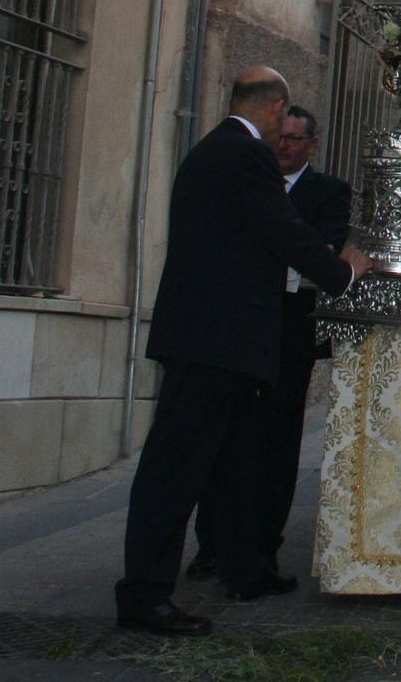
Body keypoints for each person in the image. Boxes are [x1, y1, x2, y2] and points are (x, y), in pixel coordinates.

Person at [114, 68, 372, 637]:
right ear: (276, 108)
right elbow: (282, 230)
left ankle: (240, 569)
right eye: (284, 118)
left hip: (208, 339)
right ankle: (144, 594)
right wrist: (342, 272)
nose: (284, 131)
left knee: (226, 462)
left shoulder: (212, 150)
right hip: (215, 341)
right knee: (176, 470)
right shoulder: (244, 156)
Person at [187, 106, 352, 585]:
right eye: (282, 137)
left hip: (288, 331)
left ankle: (264, 546)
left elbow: (323, 246)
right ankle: (212, 544)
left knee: (278, 442)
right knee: (225, 437)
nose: (286, 147)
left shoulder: (328, 193)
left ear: (312, 146)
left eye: (297, 140)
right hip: (238, 326)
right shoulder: (247, 174)